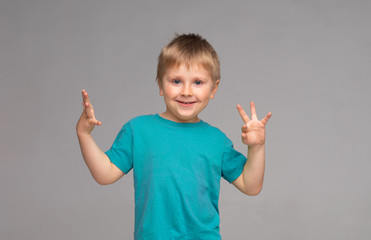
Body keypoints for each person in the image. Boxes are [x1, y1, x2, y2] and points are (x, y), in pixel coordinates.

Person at [76, 33, 272, 240]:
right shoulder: (138, 130)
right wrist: (84, 134)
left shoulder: (217, 140)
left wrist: (257, 147)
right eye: (176, 81)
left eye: (198, 82)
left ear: (213, 89)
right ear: (161, 85)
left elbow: (251, 186)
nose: (186, 91)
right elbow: (104, 174)